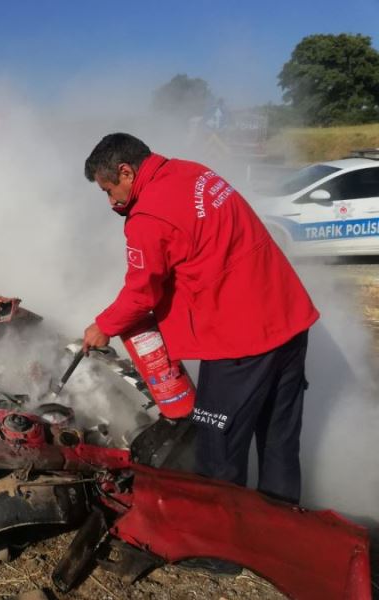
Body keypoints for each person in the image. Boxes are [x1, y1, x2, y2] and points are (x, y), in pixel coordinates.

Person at [81, 133, 318, 504]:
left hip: (240, 341)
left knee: (217, 447)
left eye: (109, 190)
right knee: (278, 438)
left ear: (126, 172)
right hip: (288, 318)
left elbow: (142, 292)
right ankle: (281, 526)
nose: (112, 202)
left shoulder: (148, 214)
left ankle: (221, 550)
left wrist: (104, 327)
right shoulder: (194, 173)